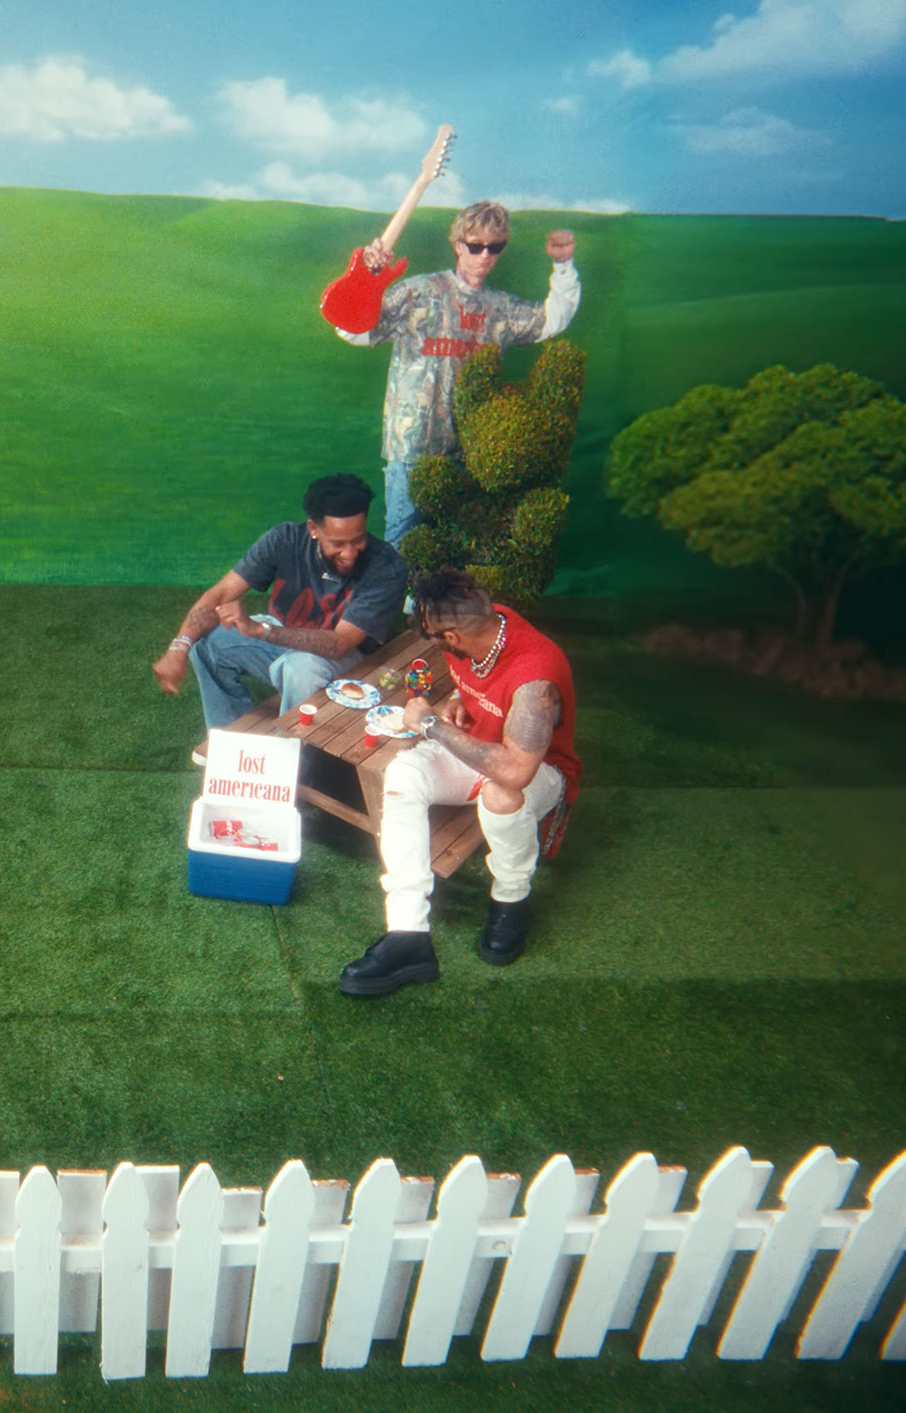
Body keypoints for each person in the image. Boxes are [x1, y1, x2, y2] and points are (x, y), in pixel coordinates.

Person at [338, 567, 582, 997]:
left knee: (500, 794)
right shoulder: (482, 624)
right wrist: (456, 699)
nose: (432, 643)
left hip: (540, 770)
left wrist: (431, 724)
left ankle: (510, 900)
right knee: (403, 774)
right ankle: (408, 934)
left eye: (431, 637)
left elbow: (516, 771)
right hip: (480, 744)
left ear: (450, 636)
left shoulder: (536, 676)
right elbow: (474, 678)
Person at [330, 201, 580, 546]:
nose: (484, 255)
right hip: (412, 450)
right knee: (403, 548)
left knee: (457, 555)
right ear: (458, 245)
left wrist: (563, 266)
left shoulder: (501, 308)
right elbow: (352, 330)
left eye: (495, 247)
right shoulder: (417, 293)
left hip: (472, 456)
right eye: (475, 246)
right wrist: (365, 280)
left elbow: (552, 320)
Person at [153, 474, 408, 730]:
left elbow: (340, 644)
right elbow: (220, 594)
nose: (349, 553)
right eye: (337, 543)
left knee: (301, 668)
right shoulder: (284, 539)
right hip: (284, 638)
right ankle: (229, 739)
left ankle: (290, 748)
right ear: (313, 529)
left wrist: (262, 631)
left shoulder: (386, 567)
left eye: (358, 540)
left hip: (349, 661)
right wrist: (179, 646)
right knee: (206, 643)